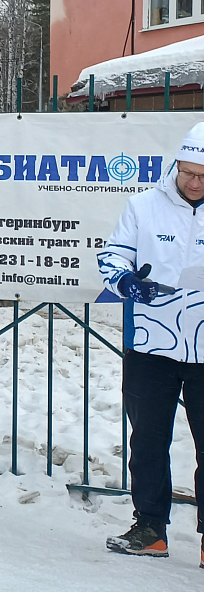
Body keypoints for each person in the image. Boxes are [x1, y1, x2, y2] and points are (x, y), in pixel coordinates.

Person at [99, 121, 204, 564]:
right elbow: (113, 254)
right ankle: (150, 527)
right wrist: (126, 281)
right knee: (147, 440)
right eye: (189, 173)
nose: (195, 183)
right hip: (151, 345)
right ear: (176, 165)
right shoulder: (143, 206)